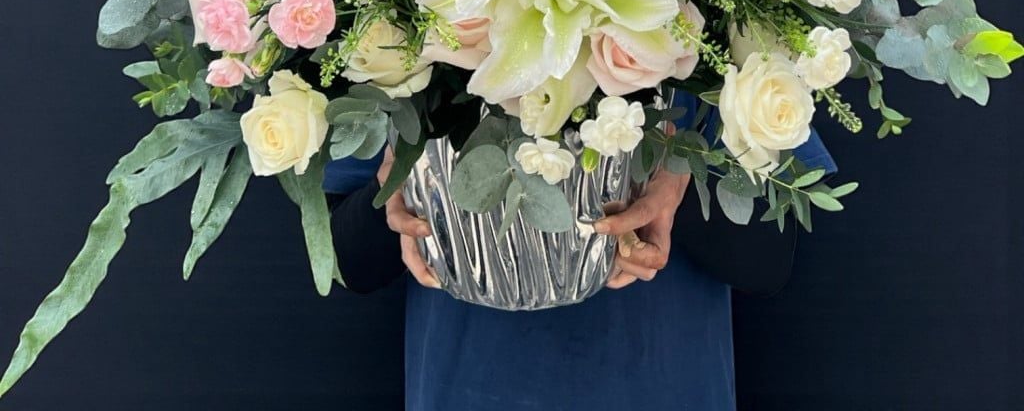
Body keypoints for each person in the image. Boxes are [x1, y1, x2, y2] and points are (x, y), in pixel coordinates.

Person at [326, 101, 834, 411]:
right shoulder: (410, 12)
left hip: (663, 392)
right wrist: (394, 186)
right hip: (467, 391)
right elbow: (349, 263)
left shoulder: (704, 16)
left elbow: (767, 260)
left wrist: (676, 176)